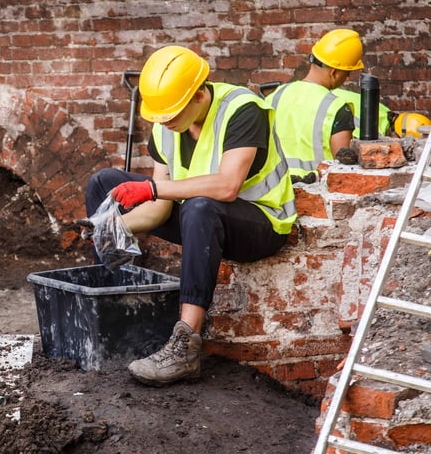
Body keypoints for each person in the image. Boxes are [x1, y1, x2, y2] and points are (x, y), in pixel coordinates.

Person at [84, 45, 297, 387]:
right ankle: (112, 305)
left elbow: (228, 187)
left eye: (171, 114)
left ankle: (185, 345)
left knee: (200, 206)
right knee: (104, 183)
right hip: (199, 219)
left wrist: (152, 189)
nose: (164, 123)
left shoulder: (242, 110)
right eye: (160, 116)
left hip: (261, 224)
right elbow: (160, 209)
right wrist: (113, 225)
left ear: (199, 96)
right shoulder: (165, 126)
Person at [264, 29, 364, 182]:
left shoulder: (272, 98)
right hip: (315, 193)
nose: (348, 77)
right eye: (347, 73)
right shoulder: (336, 107)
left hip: (273, 190)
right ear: (334, 72)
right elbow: (344, 170)